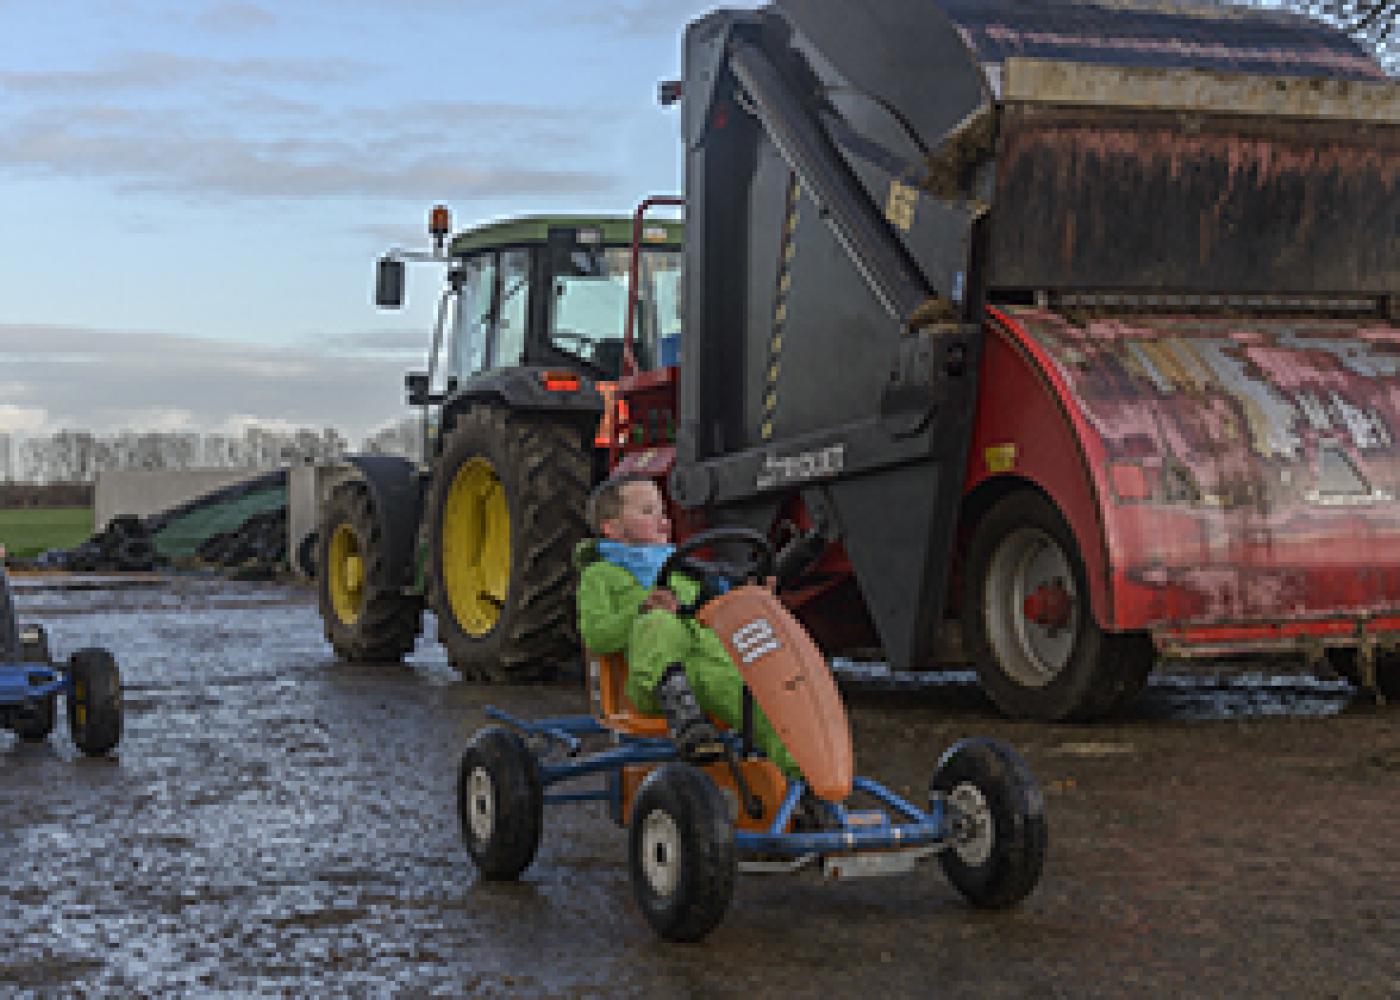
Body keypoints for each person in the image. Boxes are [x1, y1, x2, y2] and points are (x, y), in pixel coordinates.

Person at [574, 474, 799, 776]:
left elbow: (719, 612)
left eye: (663, 512)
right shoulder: (600, 576)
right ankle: (686, 719)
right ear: (612, 528)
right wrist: (641, 608)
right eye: (647, 511)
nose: (663, 520)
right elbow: (597, 635)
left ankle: (807, 786)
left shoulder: (686, 572)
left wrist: (753, 596)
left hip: (707, 671)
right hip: (648, 684)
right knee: (658, 621)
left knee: (769, 712)